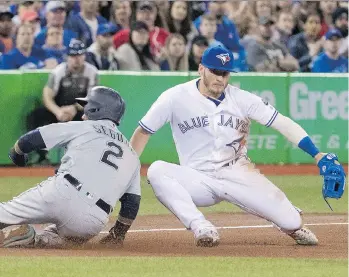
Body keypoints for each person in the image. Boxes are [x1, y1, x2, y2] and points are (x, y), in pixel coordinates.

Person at [109, 45, 346, 248]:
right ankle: (201, 226)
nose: (220, 78)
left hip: (237, 173)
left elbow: (282, 123)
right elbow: (143, 132)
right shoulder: (174, 97)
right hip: (198, 179)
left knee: (292, 222)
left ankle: (288, 220)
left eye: (225, 73)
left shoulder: (242, 99)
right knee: (157, 170)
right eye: (215, 71)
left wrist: (316, 154)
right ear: (201, 68)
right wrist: (124, 173)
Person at [0, 86, 141, 249]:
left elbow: (30, 140)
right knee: (52, 238)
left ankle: (21, 232)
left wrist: (17, 154)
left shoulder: (84, 127)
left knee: (4, 214)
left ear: (95, 109)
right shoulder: (131, 154)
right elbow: (132, 203)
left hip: (61, 194)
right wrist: (118, 235)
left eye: (86, 107)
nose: (83, 113)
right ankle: (34, 239)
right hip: (93, 221)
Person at [26, 39, 98, 164]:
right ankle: (42, 155)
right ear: (67, 57)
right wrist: (58, 111)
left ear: (84, 56)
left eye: (80, 55)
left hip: (79, 110)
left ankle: (84, 157)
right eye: (73, 55)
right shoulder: (58, 71)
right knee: (35, 116)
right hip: (58, 109)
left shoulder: (92, 72)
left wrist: (74, 108)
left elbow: (91, 99)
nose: (76, 59)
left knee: (95, 118)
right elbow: (47, 96)